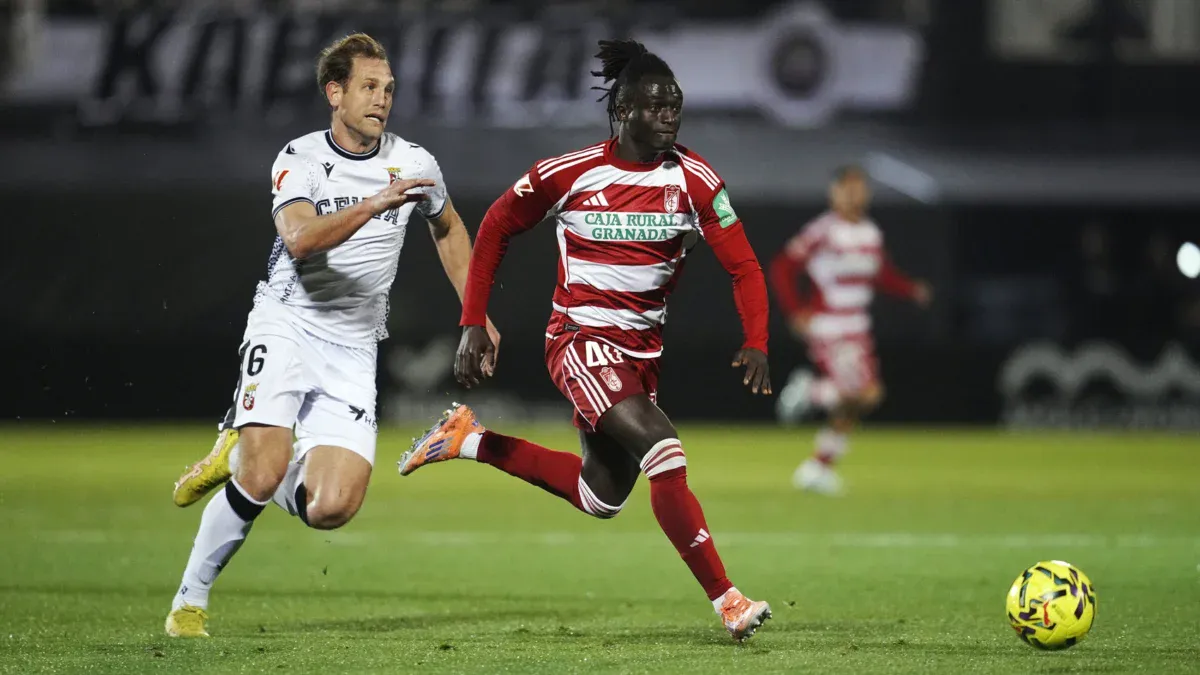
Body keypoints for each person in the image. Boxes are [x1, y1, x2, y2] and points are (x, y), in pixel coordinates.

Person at [397, 39, 774, 642]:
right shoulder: (569, 173)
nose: (669, 116)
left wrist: (756, 339)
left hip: (641, 355)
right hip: (579, 340)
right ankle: (728, 599)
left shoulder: (697, 181)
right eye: (656, 106)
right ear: (622, 111)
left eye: (675, 106)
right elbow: (495, 225)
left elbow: (745, 267)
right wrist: (473, 319)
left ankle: (469, 440)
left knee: (601, 495)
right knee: (664, 451)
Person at [164, 33, 499, 638]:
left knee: (332, 508)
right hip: (287, 324)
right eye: (369, 87)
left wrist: (475, 312)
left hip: (354, 345)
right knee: (264, 475)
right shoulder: (299, 158)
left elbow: (448, 228)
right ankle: (190, 602)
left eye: (388, 88)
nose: (382, 99)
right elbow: (299, 239)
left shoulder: (415, 163)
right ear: (335, 92)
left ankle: (237, 454)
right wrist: (374, 203)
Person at [768, 166, 931, 495]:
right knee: (863, 393)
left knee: (861, 401)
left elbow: (880, 275)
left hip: (858, 327)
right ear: (834, 193)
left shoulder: (870, 232)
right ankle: (811, 391)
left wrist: (910, 289)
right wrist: (795, 311)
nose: (854, 194)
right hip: (830, 326)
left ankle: (818, 467)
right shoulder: (823, 231)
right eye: (847, 188)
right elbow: (782, 267)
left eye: (859, 188)